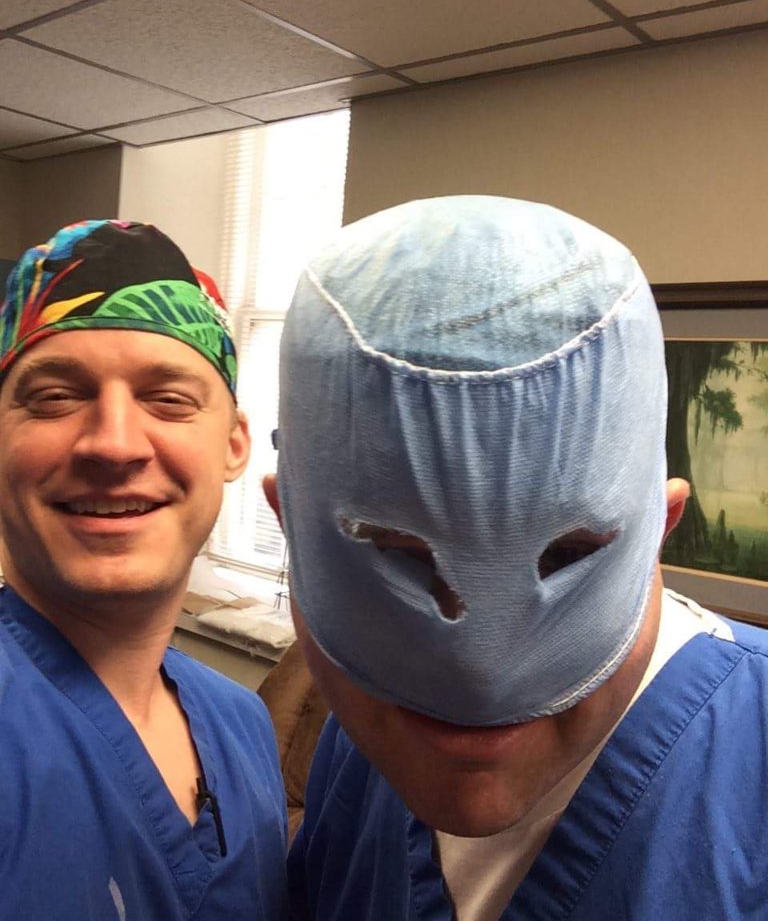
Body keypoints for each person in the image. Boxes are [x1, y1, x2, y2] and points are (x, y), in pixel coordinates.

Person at [265, 195, 768, 920]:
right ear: (288, 525)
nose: (478, 675)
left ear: (662, 527)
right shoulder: (362, 743)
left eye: (567, 555)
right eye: (401, 558)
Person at [0, 220, 287, 920]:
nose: (114, 444)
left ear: (234, 444)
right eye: (56, 397)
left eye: (169, 400)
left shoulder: (242, 723)